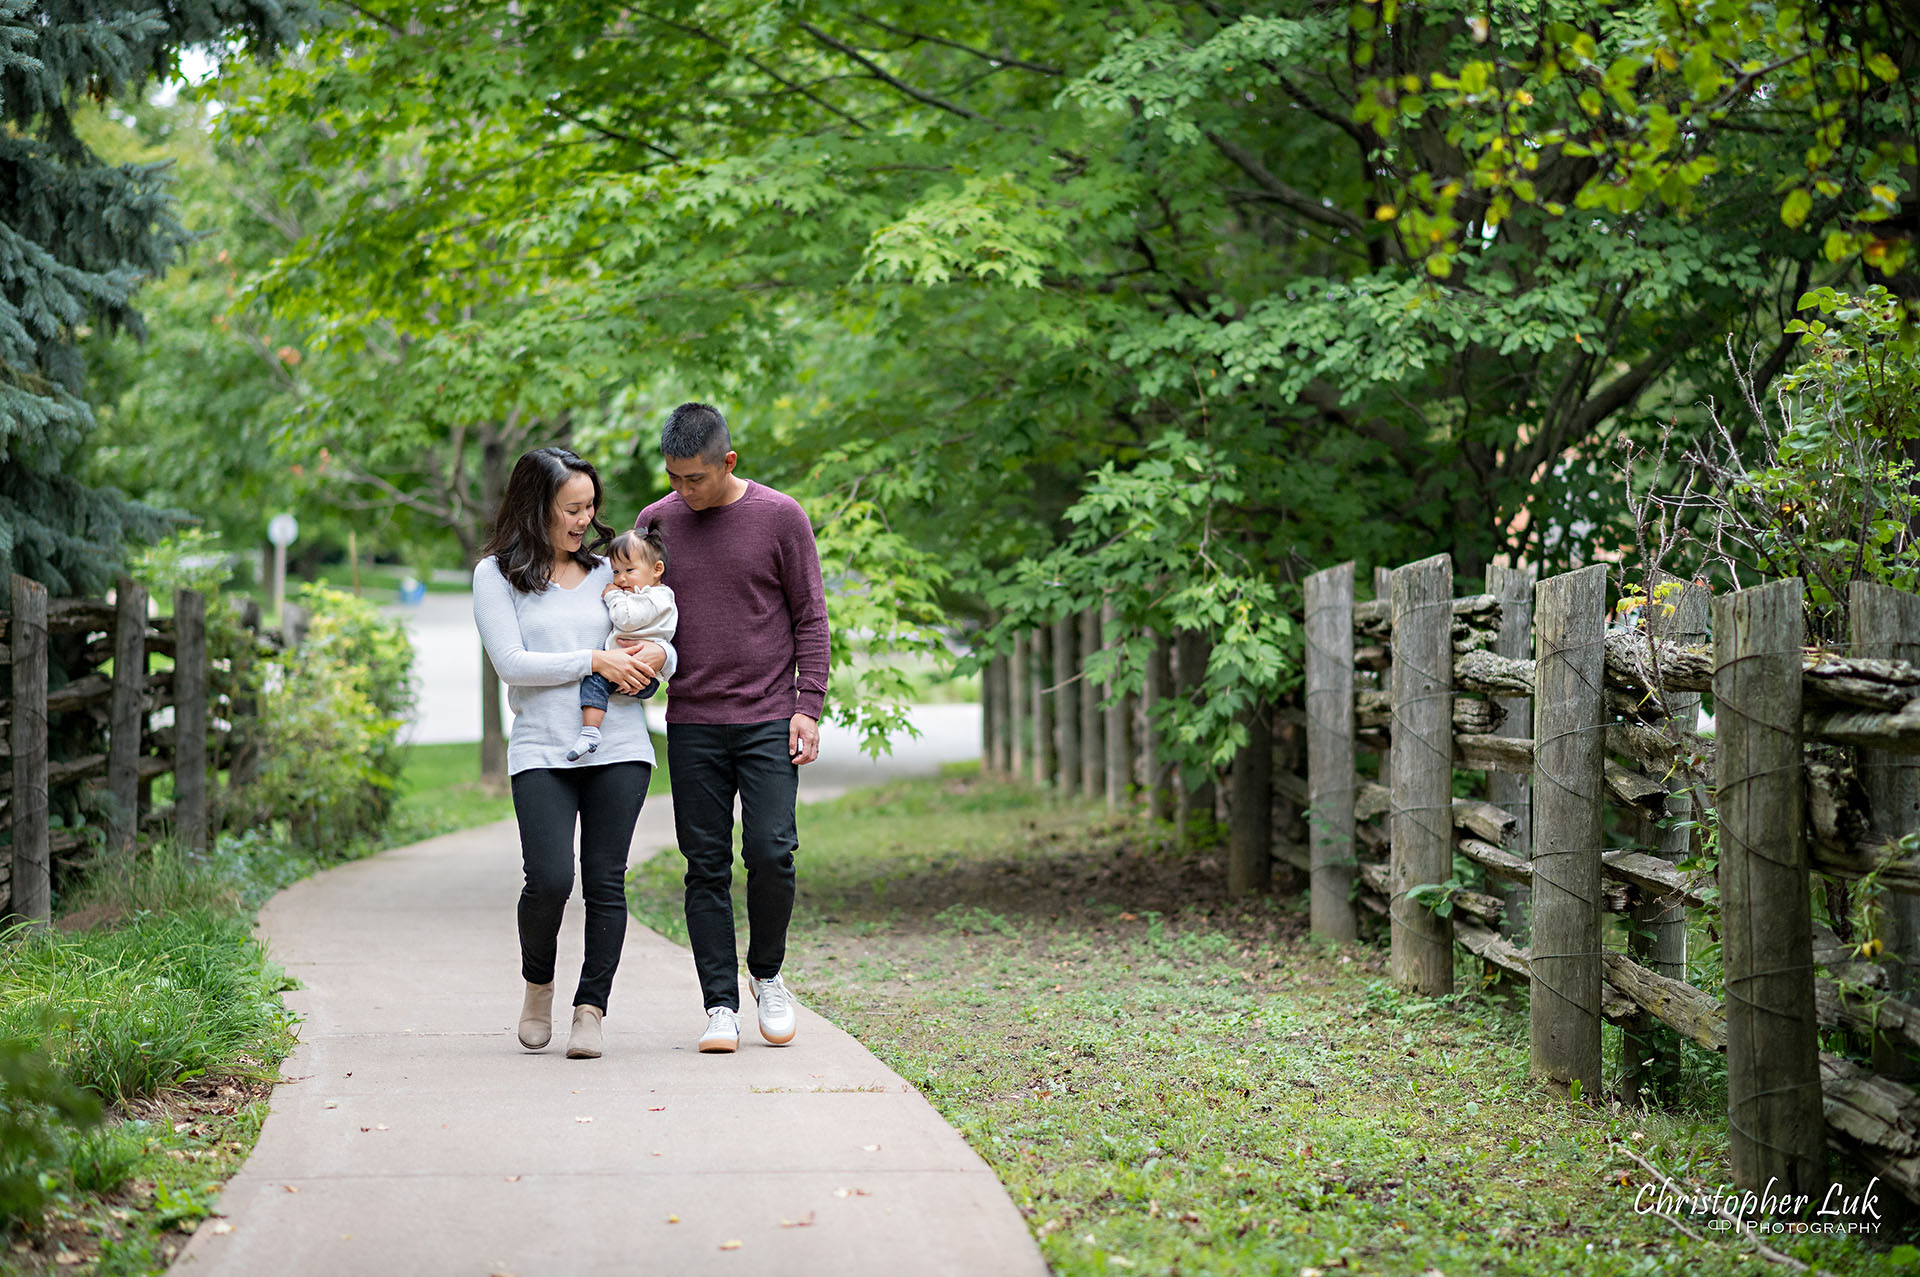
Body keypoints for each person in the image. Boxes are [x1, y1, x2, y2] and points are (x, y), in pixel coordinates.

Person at [635, 402, 829, 1054]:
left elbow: (811, 618)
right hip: (691, 718)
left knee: (772, 852)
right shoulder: (655, 523)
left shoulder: (781, 517)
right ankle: (719, 1002)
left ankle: (767, 973)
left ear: (728, 461)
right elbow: (637, 616)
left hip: (769, 715)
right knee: (705, 865)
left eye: (696, 478)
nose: (683, 491)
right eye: (674, 477)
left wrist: (810, 704)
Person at [472, 447, 675, 1061]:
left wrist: (659, 661)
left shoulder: (612, 573)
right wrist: (593, 660)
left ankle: (591, 1010)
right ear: (536, 508)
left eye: (591, 506)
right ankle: (539, 987)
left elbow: (657, 636)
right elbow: (512, 664)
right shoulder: (496, 576)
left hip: (619, 745)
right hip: (541, 748)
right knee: (551, 879)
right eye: (571, 508)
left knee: (606, 882)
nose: (585, 519)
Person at [567, 525, 677, 762]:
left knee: (594, 681)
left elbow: (626, 620)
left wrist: (612, 595)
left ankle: (590, 732)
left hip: (641, 671)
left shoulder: (657, 597)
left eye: (629, 569)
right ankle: (591, 731)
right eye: (616, 571)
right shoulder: (643, 594)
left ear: (657, 569)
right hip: (636, 670)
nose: (621, 578)